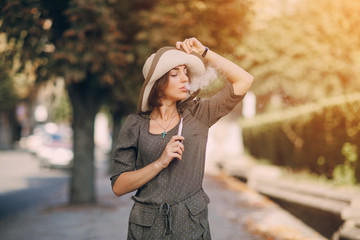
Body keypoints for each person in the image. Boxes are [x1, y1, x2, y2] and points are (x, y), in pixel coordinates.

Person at [111, 37, 254, 240]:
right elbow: (119, 186)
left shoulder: (198, 114)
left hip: (191, 226)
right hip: (146, 229)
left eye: (186, 73)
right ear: (158, 82)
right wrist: (160, 162)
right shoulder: (135, 125)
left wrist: (204, 52)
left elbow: (244, 80)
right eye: (175, 74)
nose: (185, 79)